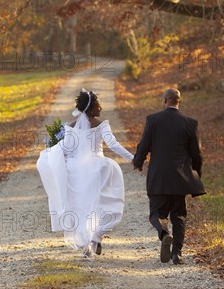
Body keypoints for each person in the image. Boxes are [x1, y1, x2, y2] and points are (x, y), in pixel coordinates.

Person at [37, 88, 134, 259]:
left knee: (81, 209)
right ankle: (95, 238)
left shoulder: (69, 127)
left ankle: (88, 243)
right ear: (90, 108)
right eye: (98, 105)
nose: (101, 108)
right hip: (99, 168)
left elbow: (66, 150)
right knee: (105, 205)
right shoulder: (102, 125)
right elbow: (113, 145)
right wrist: (133, 158)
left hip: (75, 171)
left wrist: (54, 155)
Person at [132, 88, 205, 265]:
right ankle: (176, 254)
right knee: (179, 215)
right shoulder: (190, 123)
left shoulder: (153, 120)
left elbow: (144, 145)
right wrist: (196, 173)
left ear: (165, 100)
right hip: (180, 179)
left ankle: (164, 234)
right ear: (179, 101)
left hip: (159, 177)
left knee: (156, 213)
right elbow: (197, 154)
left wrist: (138, 162)